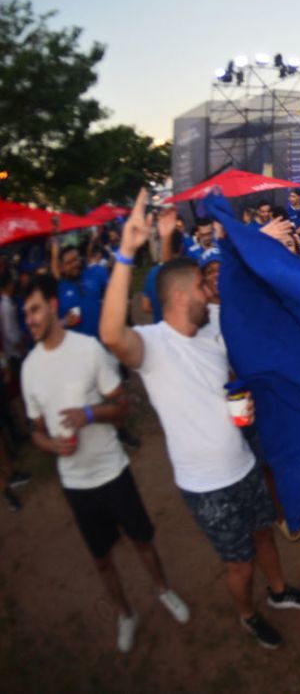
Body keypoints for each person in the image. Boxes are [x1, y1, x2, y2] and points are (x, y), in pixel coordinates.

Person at [100, 191, 300, 650]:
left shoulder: (215, 321)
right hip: (205, 485)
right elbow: (110, 334)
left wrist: (256, 240)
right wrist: (126, 251)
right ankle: (247, 614)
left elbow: (236, 289)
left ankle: (279, 593)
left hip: (242, 464)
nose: (210, 292)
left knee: (264, 535)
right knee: (239, 564)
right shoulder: (153, 345)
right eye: (202, 288)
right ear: (181, 297)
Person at [21, 273, 189, 652]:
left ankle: (164, 590)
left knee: (141, 540)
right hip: (75, 482)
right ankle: (125, 614)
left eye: (33, 309)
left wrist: (90, 415)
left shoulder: (88, 350)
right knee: (100, 559)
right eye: (23, 312)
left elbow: (123, 407)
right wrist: (49, 443)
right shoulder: (29, 368)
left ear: (51, 306)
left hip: (112, 469)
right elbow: (35, 430)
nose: (28, 319)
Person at [51, 242, 107, 340]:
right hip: (78, 350)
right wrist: (65, 321)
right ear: (61, 268)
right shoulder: (57, 289)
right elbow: (50, 328)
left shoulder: (94, 273)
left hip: (103, 344)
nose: (75, 264)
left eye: (76, 259)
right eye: (69, 263)